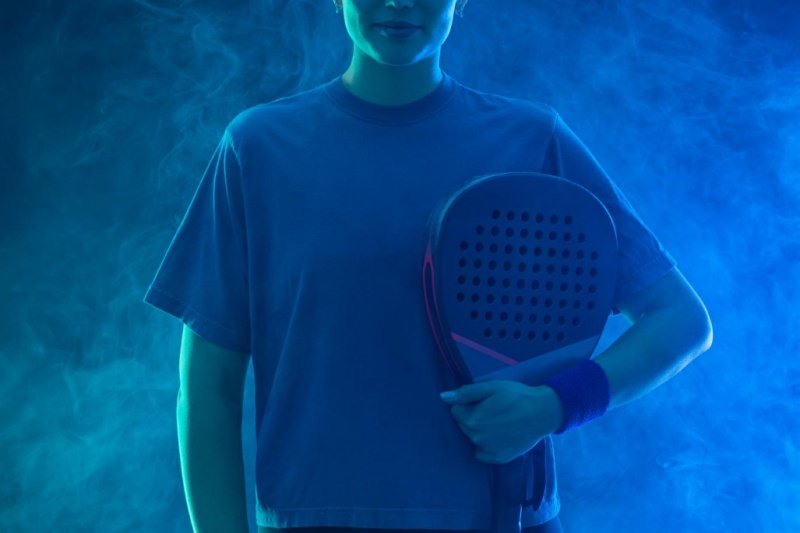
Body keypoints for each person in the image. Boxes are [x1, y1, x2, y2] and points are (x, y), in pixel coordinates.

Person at [143, 1, 713, 532]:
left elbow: (680, 321)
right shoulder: (256, 148)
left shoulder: (534, 140)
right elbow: (209, 390)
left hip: (500, 519)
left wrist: (556, 405)